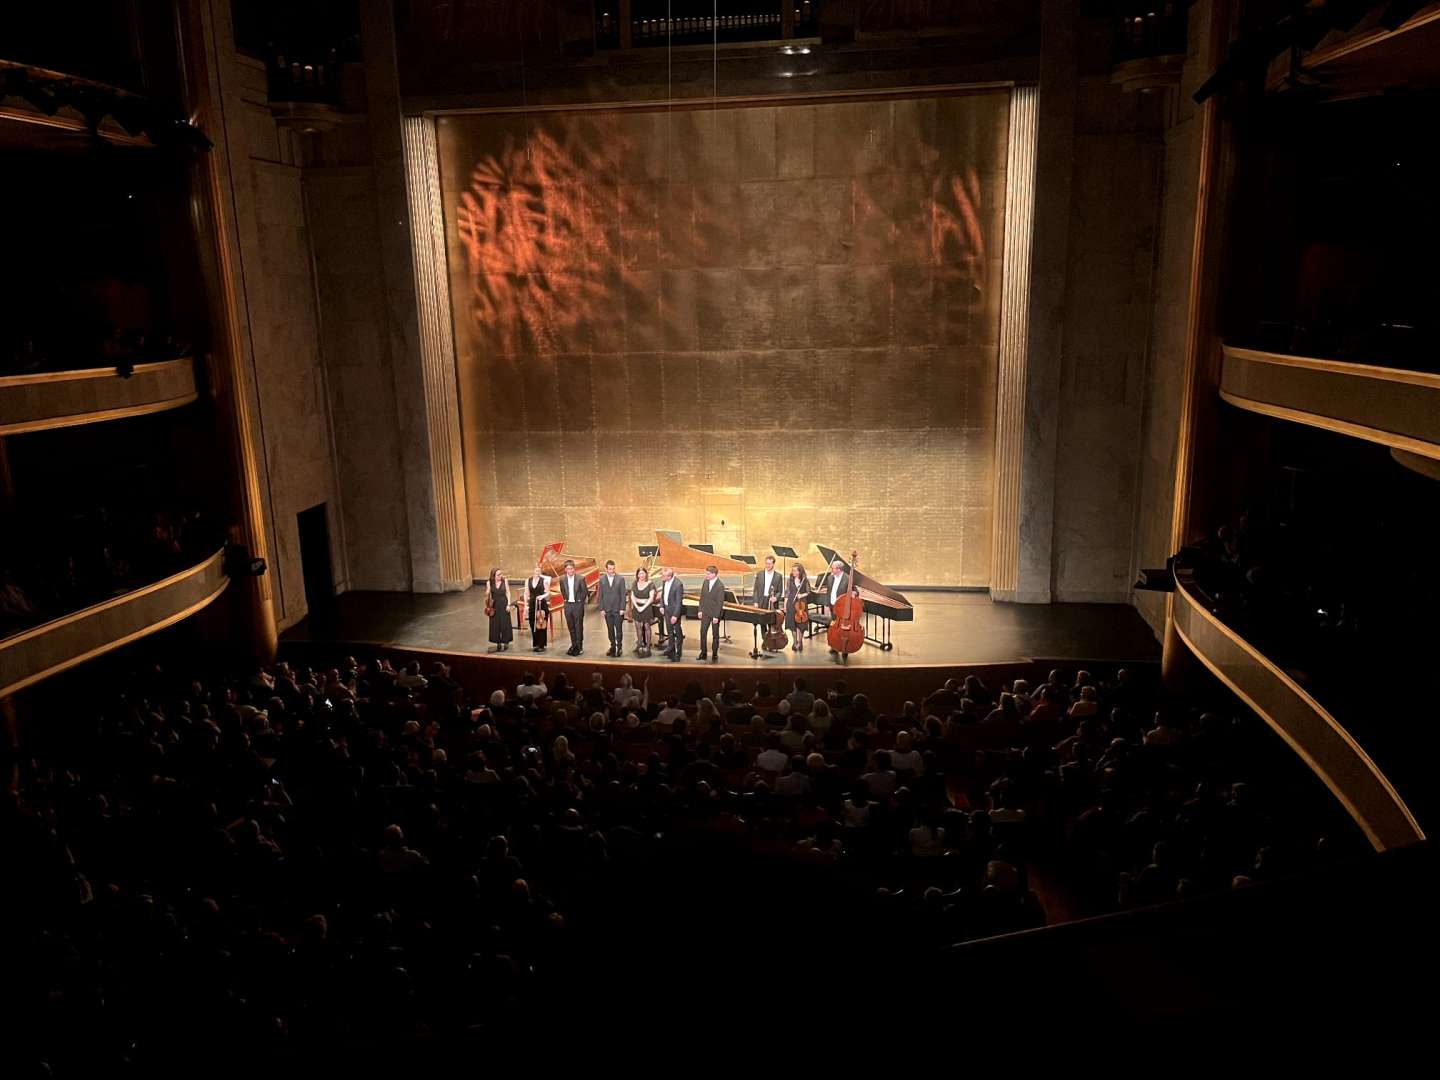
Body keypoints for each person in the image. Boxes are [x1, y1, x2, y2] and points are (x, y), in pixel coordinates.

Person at [560, 559, 591, 656]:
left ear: (574, 569)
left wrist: (580, 602)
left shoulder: (580, 578)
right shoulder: (562, 579)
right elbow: (563, 591)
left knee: (578, 627)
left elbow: (585, 592)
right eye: (568, 569)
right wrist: (566, 600)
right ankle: (574, 645)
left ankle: (579, 647)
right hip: (568, 605)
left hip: (577, 606)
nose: (570, 570)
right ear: (565, 569)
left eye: (572, 568)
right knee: (571, 627)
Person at [696, 564, 725, 663]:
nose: (706, 575)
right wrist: (700, 610)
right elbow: (702, 597)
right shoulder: (705, 582)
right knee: (702, 633)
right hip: (705, 613)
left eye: (708, 574)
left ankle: (714, 653)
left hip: (714, 614)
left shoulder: (720, 586)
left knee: (715, 635)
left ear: (714, 574)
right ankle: (703, 652)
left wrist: (716, 616)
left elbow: (719, 603)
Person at [597, 560, 626, 657]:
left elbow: (623, 595)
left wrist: (622, 608)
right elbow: (600, 595)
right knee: (610, 630)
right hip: (607, 610)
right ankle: (613, 647)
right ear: (606, 569)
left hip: (618, 610)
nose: (612, 570)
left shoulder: (620, 579)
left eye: (613, 568)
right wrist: (601, 609)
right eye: (610, 569)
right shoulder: (602, 579)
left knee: (618, 630)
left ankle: (619, 647)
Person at [629, 567, 656, 656]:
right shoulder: (634, 583)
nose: (641, 575)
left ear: (646, 574)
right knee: (638, 627)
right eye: (639, 574)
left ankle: (648, 647)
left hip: (647, 608)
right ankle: (639, 645)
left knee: (647, 627)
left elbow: (651, 598)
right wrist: (637, 606)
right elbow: (632, 596)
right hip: (637, 608)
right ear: (637, 575)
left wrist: (643, 607)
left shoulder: (650, 584)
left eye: (643, 573)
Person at [659, 567, 684, 662]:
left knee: (677, 632)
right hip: (666, 610)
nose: (661, 577)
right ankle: (671, 648)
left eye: (663, 575)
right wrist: (661, 605)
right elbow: (663, 595)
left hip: (674, 612)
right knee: (669, 630)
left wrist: (675, 615)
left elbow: (678, 602)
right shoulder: (665, 581)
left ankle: (679, 651)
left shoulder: (678, 584)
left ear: (669, 576)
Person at [784, 563, 810, 653]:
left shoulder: (805, 580)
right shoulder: (790, 579)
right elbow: (787, 592)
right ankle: (794, 641)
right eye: (792, 570)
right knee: (792, 624)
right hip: (791, 603)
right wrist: (785, 605)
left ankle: (800, 641)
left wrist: (802, 594)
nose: (793, 572)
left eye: (795, 570)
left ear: (800, 571)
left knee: (801, 624)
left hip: (801, 604)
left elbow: (808, 592)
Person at [487, 568, 513, 652]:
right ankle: (497, 641)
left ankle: (506, 641)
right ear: (493, 576)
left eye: (501, 574)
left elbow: (508, 592)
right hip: (494, 605)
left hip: (504, 603)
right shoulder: (489, 583)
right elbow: (489, 595)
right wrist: (487, 591)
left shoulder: (505, 581)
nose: (500, 576)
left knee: (505, 623)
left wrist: (509, 604)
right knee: (495, 624)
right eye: (498, 575)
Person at [526, 564, 551, 652]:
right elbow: (526, 593)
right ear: (533, 571)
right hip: (532, 604)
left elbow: (548, 592)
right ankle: (536, 643)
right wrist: (526, 605)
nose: (538, 572)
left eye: (539, 571)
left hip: (541, 604)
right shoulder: (528, 580)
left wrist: (542, 596)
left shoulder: (544, 581)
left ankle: (542, 645)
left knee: (541, 624)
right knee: (532, 623)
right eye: (536, 571)